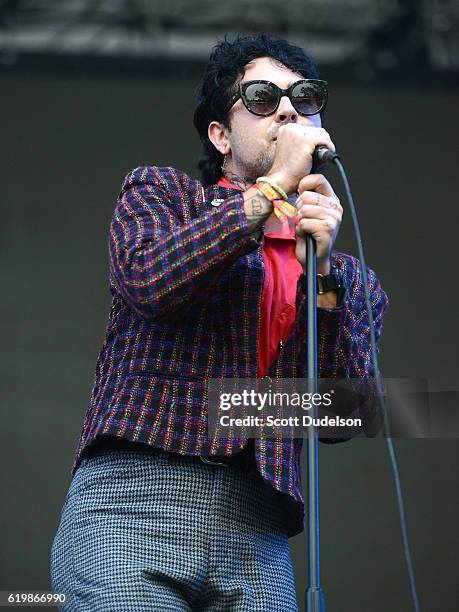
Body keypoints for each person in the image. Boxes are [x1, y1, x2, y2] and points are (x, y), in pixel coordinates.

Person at [51, 33, 388, 611]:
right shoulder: (163, 195)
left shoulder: (349, 279)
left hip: (259, 531)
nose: (287, 109)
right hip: (135, 502)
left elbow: (341, 413)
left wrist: (322, 277)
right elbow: (150, 280)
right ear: (221, 135)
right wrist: (272, 190)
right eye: (261, 97)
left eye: (303, 98)